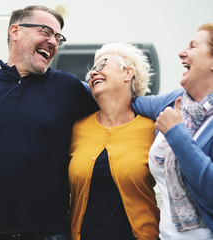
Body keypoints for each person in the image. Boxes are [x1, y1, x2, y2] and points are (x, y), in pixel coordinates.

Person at [0, 5, 99, 240]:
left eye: (58, 37)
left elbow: (119, 106)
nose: (53, 42)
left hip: (47, 233)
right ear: (15, 32)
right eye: (45, 31)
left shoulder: (68, 88)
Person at [69, 42, 160, 240]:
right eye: (92, 70)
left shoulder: (153, 129)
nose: (93, 73)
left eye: (102, 66)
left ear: (128, 73)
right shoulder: (76, 128)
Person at [145, 23, 213, 239]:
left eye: (193, 46)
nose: (181, 52)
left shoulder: (176, 122)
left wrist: (177, 133)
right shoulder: (177, 101)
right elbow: (123, 99)